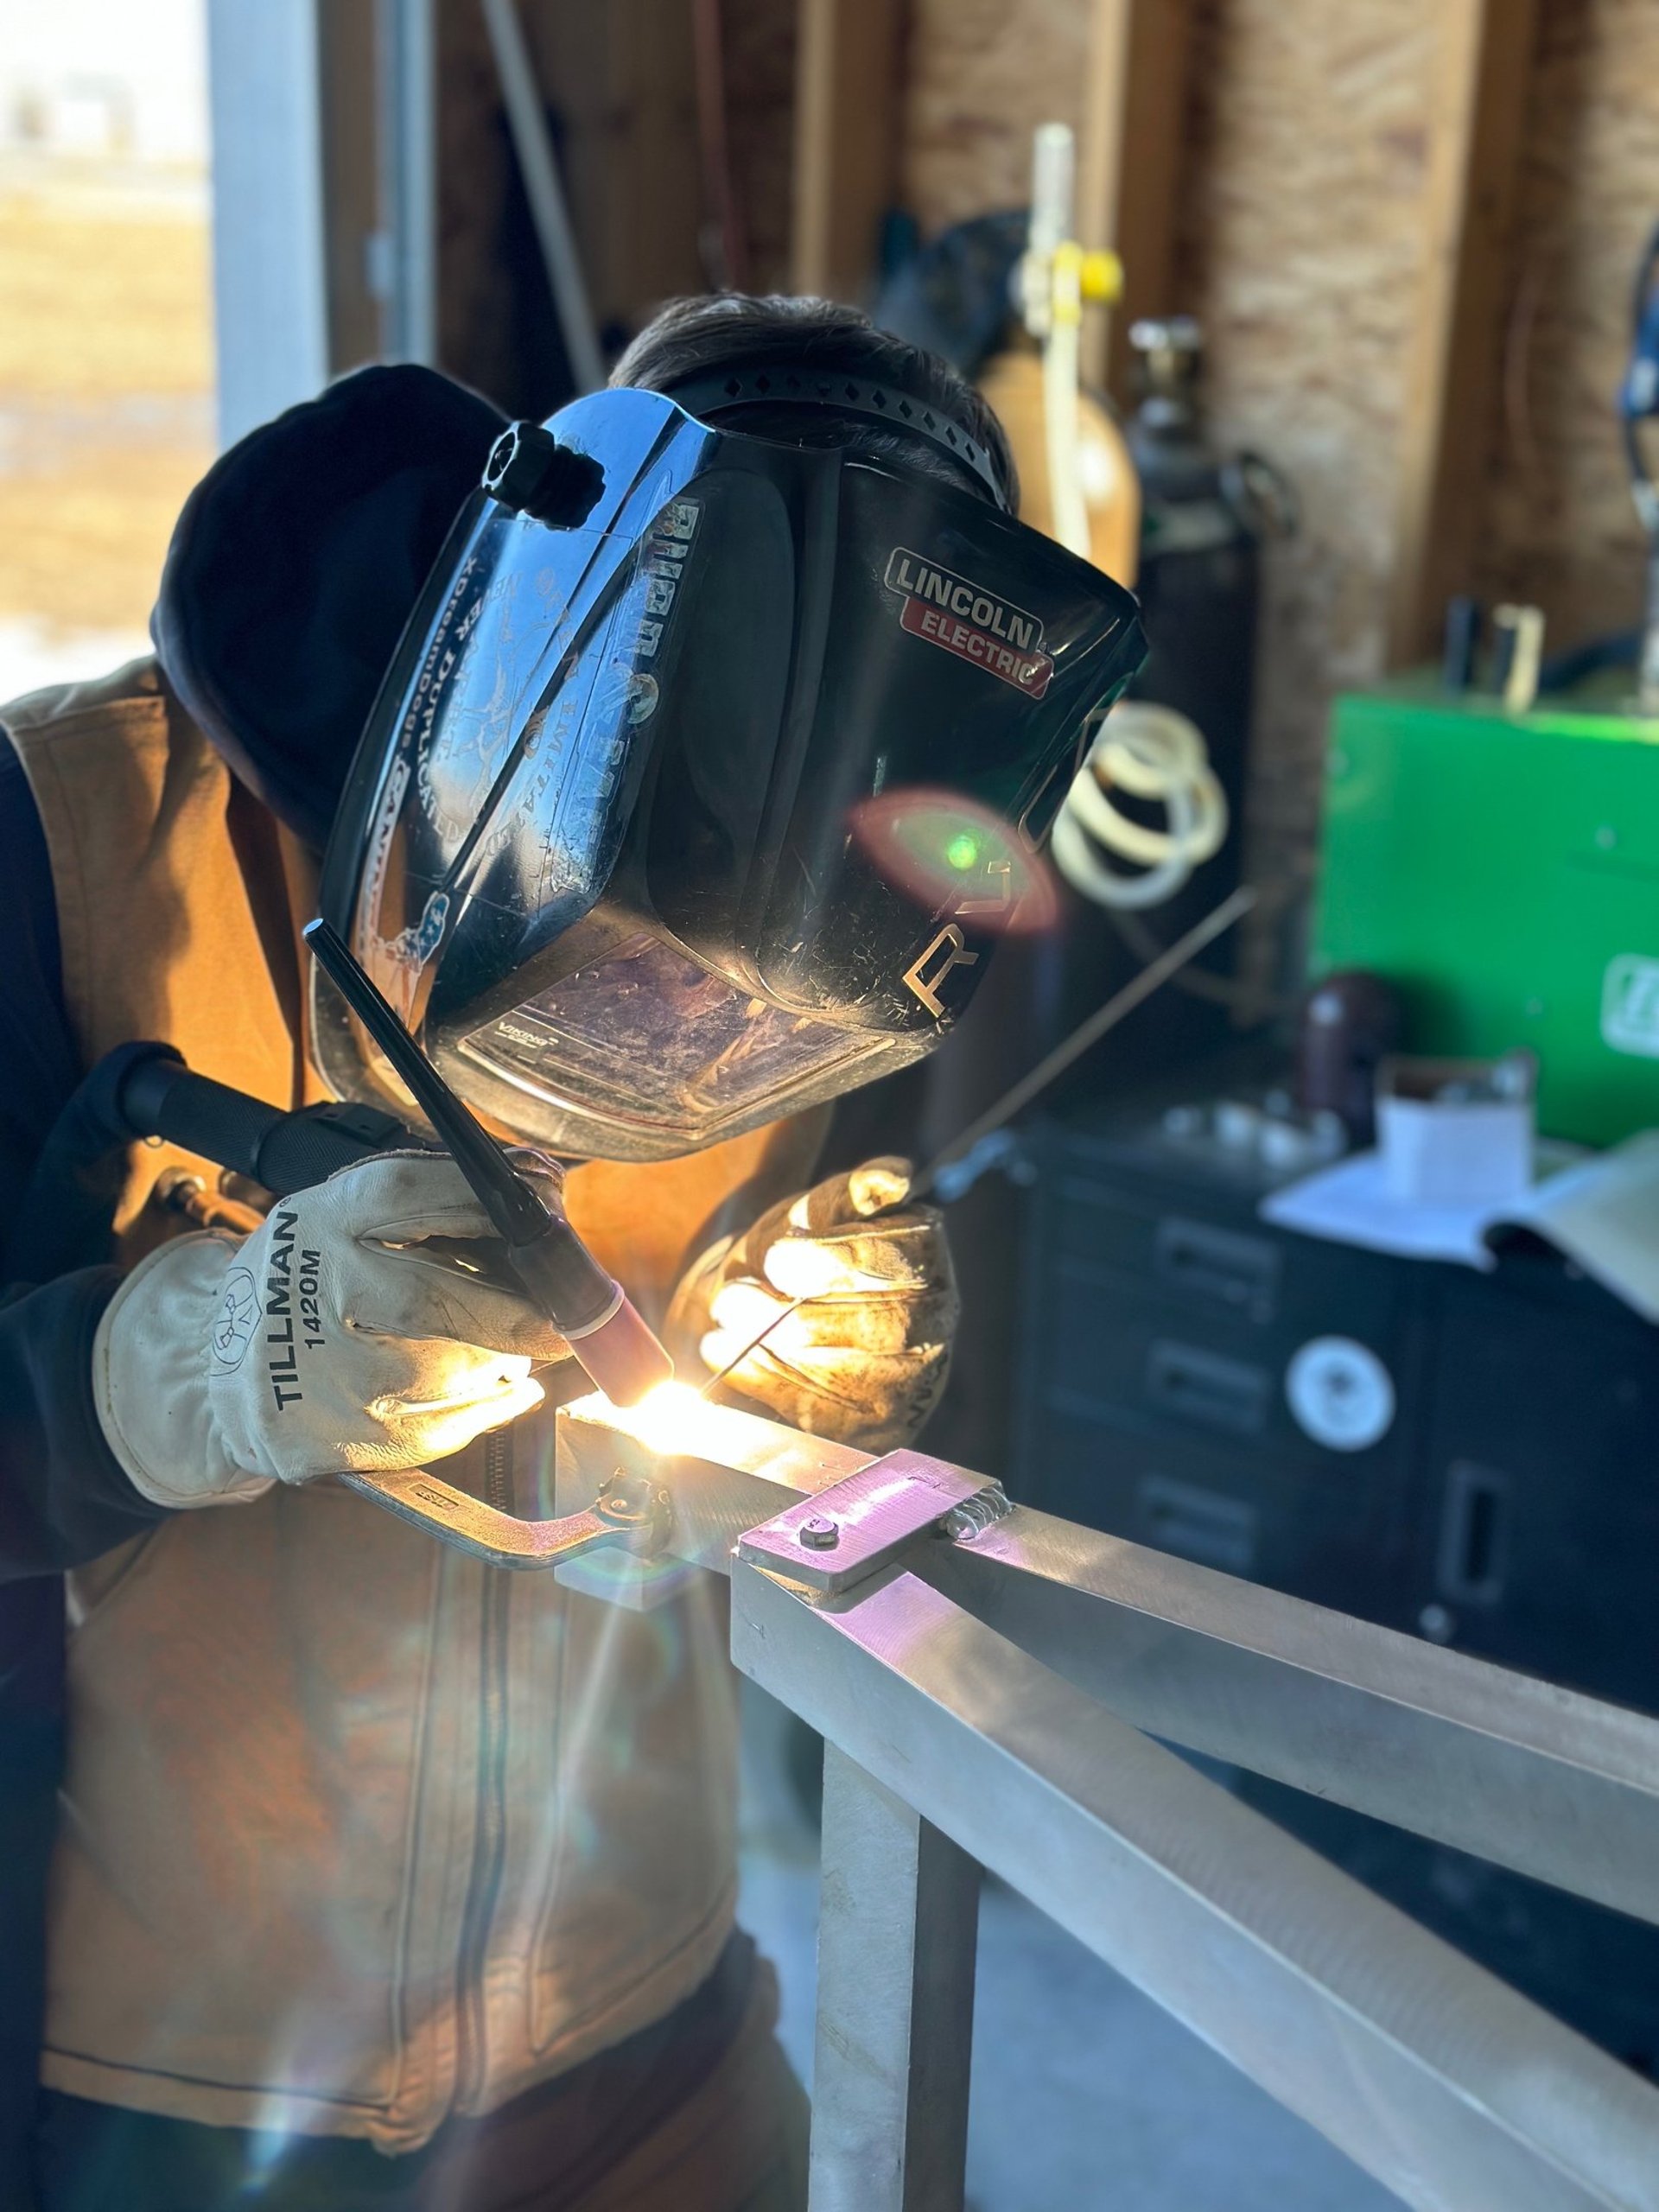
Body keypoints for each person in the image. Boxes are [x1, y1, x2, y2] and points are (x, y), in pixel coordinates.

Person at [0, 293, 1143, 2211]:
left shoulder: (864, 925)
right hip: (178, 2082)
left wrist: (832, 1373)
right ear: (562, 647)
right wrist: (172, 1367)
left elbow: (911, 1451)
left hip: (649, 2007)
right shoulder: (63, 829)